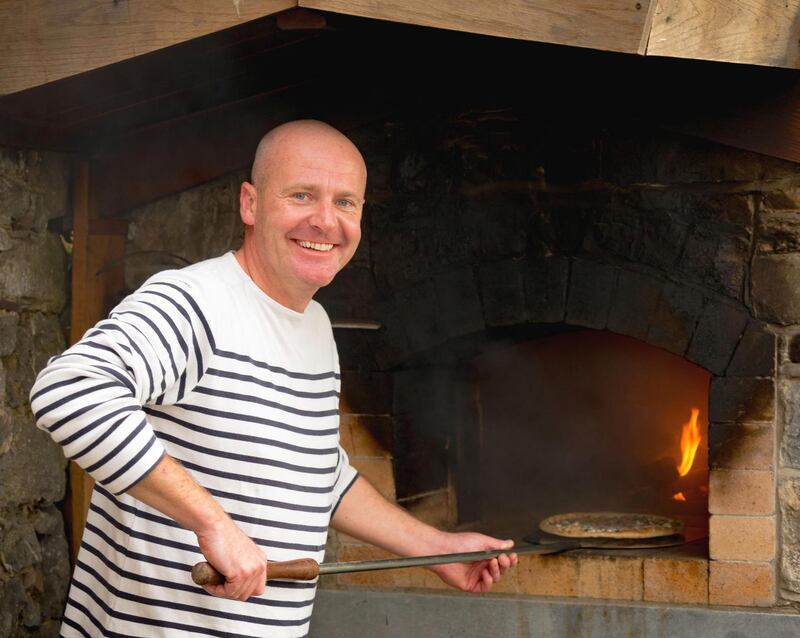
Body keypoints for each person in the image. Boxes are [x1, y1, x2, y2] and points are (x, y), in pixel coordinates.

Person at [30, 120, 517, 637]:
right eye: (302, 194)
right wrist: (212, 524)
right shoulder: (196, 303)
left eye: (346, 202)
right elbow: (70, 390)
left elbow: (316, 475)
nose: (326, 221)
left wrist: (433, 548)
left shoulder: (314, 326)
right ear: (250, 204)